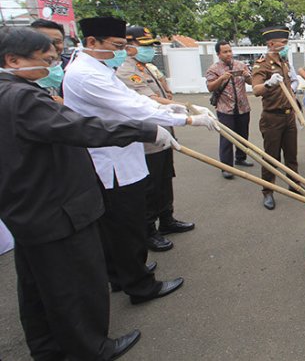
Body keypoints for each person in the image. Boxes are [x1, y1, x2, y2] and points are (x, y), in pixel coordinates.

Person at [0, 27, 178, 360]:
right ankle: (91, 348)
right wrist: (145, 130)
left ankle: (47, 347)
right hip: (57, 209)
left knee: (37, 287)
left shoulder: (11, 91)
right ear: (13, 60)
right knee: (75, 284)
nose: (55, 64)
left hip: (27, 209)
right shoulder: (22, 97)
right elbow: (83, 127)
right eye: (47, 59)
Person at [63, 16, 215, 304]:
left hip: (122, 155)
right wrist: (188, 120)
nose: (122, 51)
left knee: (118, 226)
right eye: (117, 46)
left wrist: (181, 111)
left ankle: (122, 275)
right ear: (92, 42)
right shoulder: (86, 74)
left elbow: (141, 101)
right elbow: (133, 107)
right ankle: (140, 285)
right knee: (126, 225)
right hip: (112, 164)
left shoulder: (100, 67)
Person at [117, 26, 195, 253]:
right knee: (150, 185)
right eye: (145, 45)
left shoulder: (146, 67)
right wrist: (188, 112)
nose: (150, 49)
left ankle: (167, 219)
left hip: (164, 132)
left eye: (152, 45)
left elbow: (165, 93)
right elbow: (150, 100)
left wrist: (174, 105)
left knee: (165, 178)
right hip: (147, 138)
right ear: (129, 45)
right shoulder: (125, 71)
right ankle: (150, 230)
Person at [251, 25, 298, 210]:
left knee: (292, 155)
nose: (287, 46)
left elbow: (289, 86)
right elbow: (256, 90)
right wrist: (269, 84)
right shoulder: (262, 64)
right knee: (272, 157)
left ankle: (295, 186)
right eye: (284, 43)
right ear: (271, 43)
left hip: (289, 116)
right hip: (272, 118)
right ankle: (268, 191)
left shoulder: (284, 61)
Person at [205, 39, 254, 179]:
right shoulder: (213, 69)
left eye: (230, 51)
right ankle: (226, 167)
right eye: (225, 52)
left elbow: (251, 82)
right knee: (226, 138)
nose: (228, 54)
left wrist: (247, 76)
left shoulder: (241, 65)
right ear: (218, 54)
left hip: (243, 107)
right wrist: (221, 79)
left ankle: (241, 157)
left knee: (243, 135)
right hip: (225, 109)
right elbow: (210, 87)